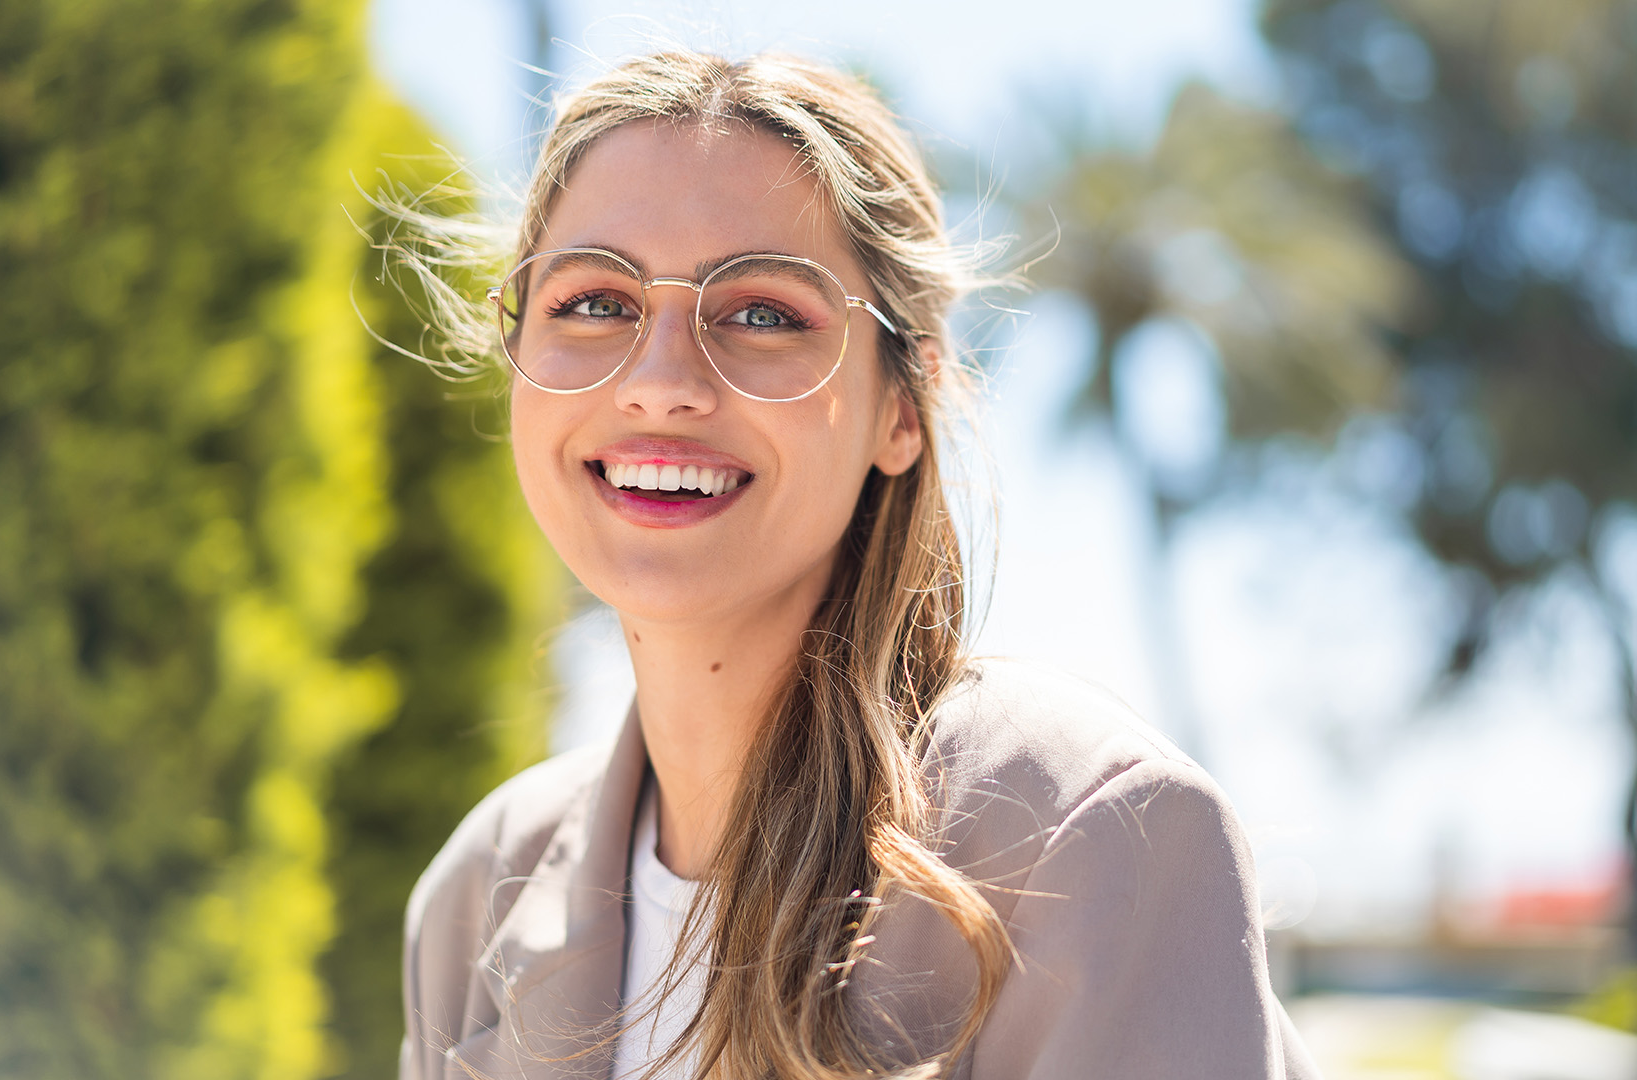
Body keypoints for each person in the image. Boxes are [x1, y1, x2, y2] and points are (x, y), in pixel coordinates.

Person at [398, 49, 1321, 1080]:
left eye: (762, 314)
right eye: (595, 303)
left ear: (902, 404)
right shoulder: (478, 890)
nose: (659, 386)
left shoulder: (1092, 840)